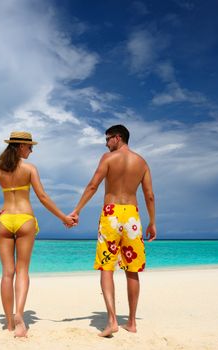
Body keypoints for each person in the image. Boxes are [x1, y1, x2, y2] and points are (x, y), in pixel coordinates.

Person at [0, 131, 75, 338]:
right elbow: (43, 197)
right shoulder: (29, 169)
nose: (31, 150)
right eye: (29, 147)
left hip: (4, 220)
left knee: (7, 273)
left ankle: (9, 323)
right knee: (22, 271)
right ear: (20, 146)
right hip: (25, 220)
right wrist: (64, 217)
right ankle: (19, 314)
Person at [69, 124, 156, 337]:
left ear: (117, 138)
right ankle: (132, 322)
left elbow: (93, 186)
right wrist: (152, 222)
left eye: (107, 139)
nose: (106, 143)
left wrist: (76, 210)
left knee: (106, 267)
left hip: (111, 214)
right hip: (133, 217)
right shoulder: (142, 162)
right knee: (132, 269)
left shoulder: (108, 159)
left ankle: (112, 321)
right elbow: (149, 195)